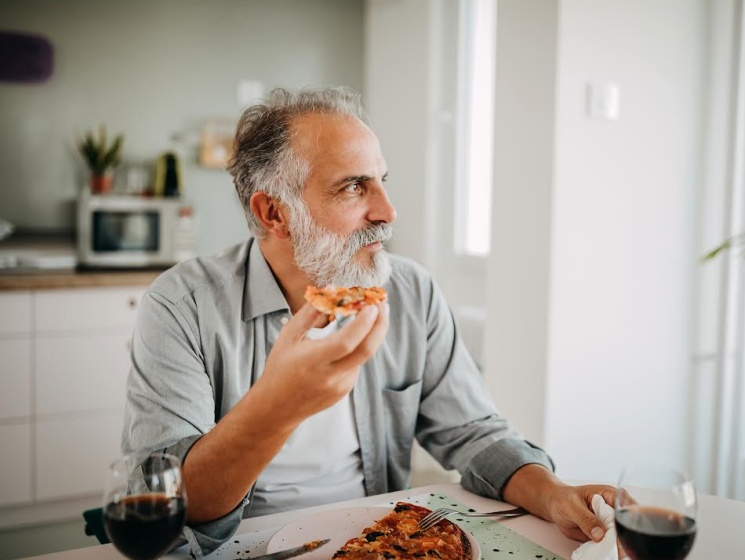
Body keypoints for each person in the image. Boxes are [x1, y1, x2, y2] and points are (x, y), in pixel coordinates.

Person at [122, 86, 616, 553]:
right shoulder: (182, 304)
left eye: (381, 181)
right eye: (354, 187)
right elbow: (172, 500)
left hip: (376, 542)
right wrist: (278, 406)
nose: (387, 211)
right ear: (274, 213)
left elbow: (474, 433)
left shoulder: (410, 291)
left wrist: (552, 493)